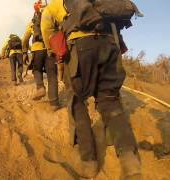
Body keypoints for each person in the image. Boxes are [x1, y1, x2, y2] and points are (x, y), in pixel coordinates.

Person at [41, 0, 141, 179]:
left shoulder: (58, 2)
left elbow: (46, 25)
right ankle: (130, 160)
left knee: (77, 101)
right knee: (110, 100)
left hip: (81, 47)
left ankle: (88, 161)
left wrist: (54, 51)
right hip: (111, 44)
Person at [22, 2, 59, 109]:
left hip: (37, 49)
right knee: (52, 75)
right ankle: (54, 103)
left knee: (36, 69)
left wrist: (25, 51)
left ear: (35, 10)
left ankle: (40, 87)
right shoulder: (52, 17)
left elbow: (24, 39)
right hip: (50, 49)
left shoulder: (32, 23)